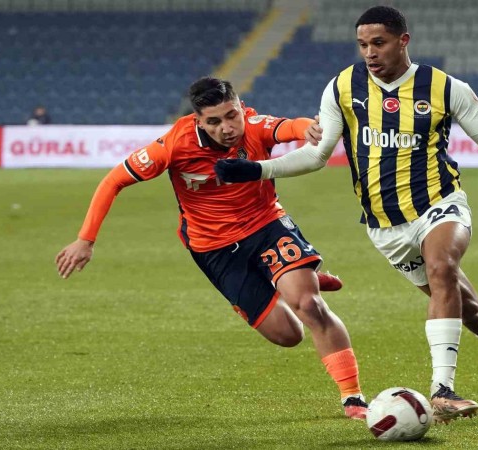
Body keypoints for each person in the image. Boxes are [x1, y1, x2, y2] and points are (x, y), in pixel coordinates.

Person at [215, 6, 478, 424]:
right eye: (362, 44)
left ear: (403, 40)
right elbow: (317, 155)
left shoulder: (445, 88)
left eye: (379, 43)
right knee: (473, 314)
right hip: (385, 227)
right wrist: (257, 169)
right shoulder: (342, 87)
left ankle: (442, 390)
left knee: (442, 266)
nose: (369, 53)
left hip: (440, 203)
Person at [54, 77, 367, 420]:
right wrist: (85, 240)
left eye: (232, 116)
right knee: (288, 335)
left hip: (266, 226)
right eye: (214, 121)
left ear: (240, 107)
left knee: (309, 305)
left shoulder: (254, 126)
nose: (227, 128)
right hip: (214, 250)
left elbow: (290, 127)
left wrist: (310, 129)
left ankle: (352, 397)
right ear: (199, 121)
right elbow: (114, 180)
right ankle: (288, 276)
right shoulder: (175, 145)